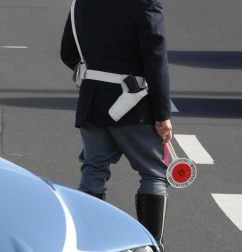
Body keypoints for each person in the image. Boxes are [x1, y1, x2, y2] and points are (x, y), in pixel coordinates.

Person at [60, 0, 172, 250]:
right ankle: (151, 245)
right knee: (153, 173)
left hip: (93, 100)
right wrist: (162, 113)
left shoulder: (82, 3)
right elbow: (155, 59)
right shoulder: (145, 3)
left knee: (93, 171)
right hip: (135, 104)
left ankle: (90, 243)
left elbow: (68, 52)